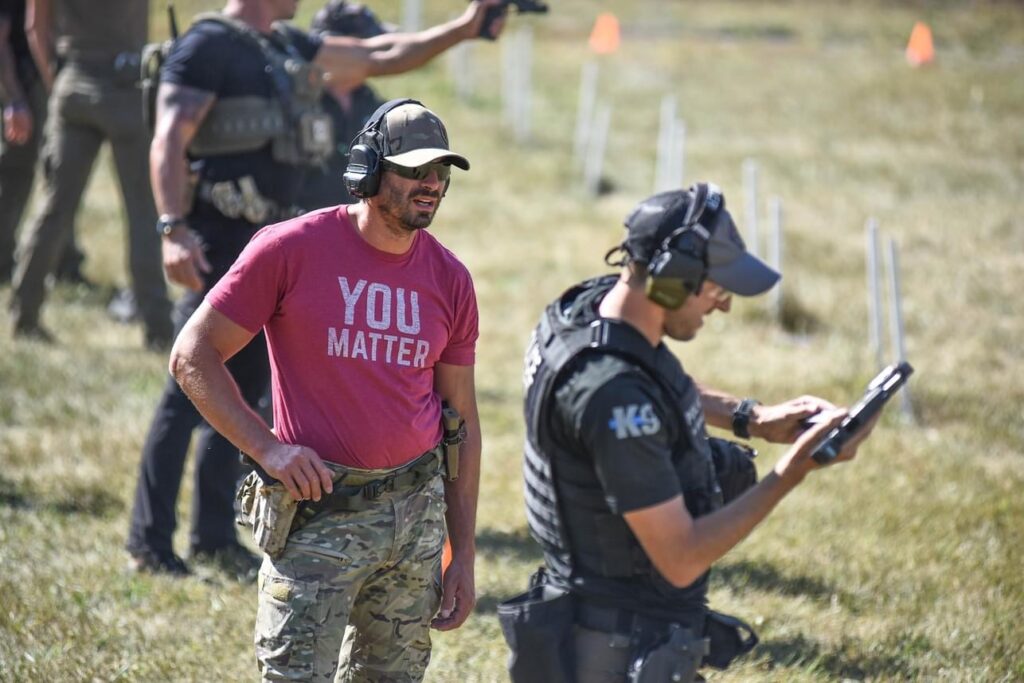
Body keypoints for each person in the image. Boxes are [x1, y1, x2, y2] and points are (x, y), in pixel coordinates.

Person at [126, 0, 503, 579]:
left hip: (275, 239)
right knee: (187, 398)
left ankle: (212, 535)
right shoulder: (209, 45)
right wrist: (173, 228)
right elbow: (169, 135)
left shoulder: (283, 44)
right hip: (218, 238)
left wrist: (464, 27)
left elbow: (380, 54)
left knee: (253, 390)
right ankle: (149, 540)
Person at [505, 183, 879, 682]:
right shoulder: (613, 402)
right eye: (715, 287)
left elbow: (645, 374)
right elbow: (680, 558)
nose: (722, 305)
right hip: (613, 655)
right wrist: (791, 473)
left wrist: (753, 418)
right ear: (671, 280)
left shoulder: (585, 313)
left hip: (594, 632)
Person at [169, 99, 481, 681]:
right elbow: (192, 356)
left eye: (440, 171)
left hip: (414, 521)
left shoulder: (450, 278)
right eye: (414, 170)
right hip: (318, 517)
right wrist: (269, 450)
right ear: (367, 170)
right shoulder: (290, 250)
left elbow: (461, 418)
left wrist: (461, 551)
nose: (432, 184)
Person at [8, 0, 172, 345]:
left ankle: (24, 311)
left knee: (53, 209)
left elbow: (34, 28)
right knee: (143, 212)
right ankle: (157, 325)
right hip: (128, 87)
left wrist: (56, 81)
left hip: (75, 81)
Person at [0, 0, 81, 284]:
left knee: (61, 173)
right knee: (15, 176)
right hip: (25, 84)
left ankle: (64, 261)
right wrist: (15, 100)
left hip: (54, 82)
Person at [299, 0, 390, 210]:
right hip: (297, 227)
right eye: (365, 48)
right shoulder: (294, 102)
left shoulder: (378, 108)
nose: (373, 59)